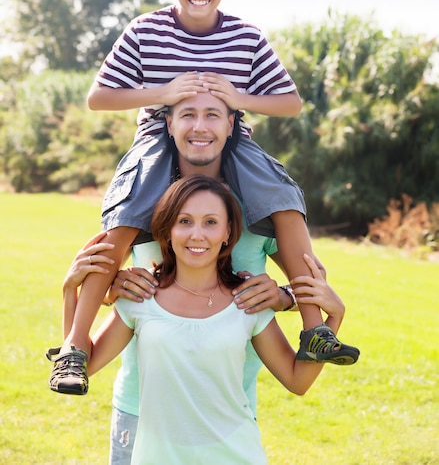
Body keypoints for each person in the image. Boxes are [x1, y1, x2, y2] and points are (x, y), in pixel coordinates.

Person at [49, 0, 359, 396]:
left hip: (231, 141)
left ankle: (315, 329)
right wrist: (162, 94)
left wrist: (240, 97)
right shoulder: (145, 30)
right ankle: (74, 348)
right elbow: (98, 97)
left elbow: (290, 102)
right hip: (158, 136)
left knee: (283, 198)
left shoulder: (245, 36)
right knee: (124, 220)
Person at [49, 174, 347, 464]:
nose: (197, 234)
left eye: (211, 222)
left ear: (228, 232)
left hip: (236, 454)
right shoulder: (140, 300)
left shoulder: (247, 302)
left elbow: (298, 380)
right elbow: (83, 363)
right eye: (185, 221)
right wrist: (69, 290)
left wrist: (332, 318)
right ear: (167, 230)